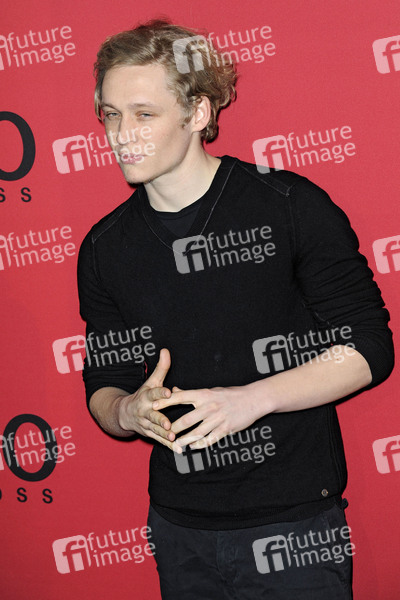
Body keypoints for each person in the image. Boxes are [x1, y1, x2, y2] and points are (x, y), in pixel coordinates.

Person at [77, 19, 394, 599]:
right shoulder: (104, 247)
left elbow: (369, 346)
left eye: (144, 114)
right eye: (111, 114)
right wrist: (128, 411)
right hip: (178, 530)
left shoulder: (289, 205)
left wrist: (251, 400)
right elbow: (104, 384)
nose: (122, 135)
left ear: (198, 113)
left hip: (295, 530)